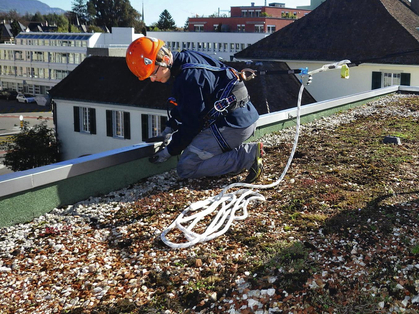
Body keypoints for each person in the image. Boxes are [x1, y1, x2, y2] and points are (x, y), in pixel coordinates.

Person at [126, 36, 263, 183]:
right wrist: (169, 129)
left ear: (165, 59)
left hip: (233, 125)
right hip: (242, 117)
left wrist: (169, 151)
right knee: (196, 149)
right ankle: (234, 157)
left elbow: (192, 125)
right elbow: (185, 104)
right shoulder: (185, 60)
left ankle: (247, 156)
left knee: (186, 167)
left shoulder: (188, 79)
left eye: (153, 73)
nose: (152, 79)